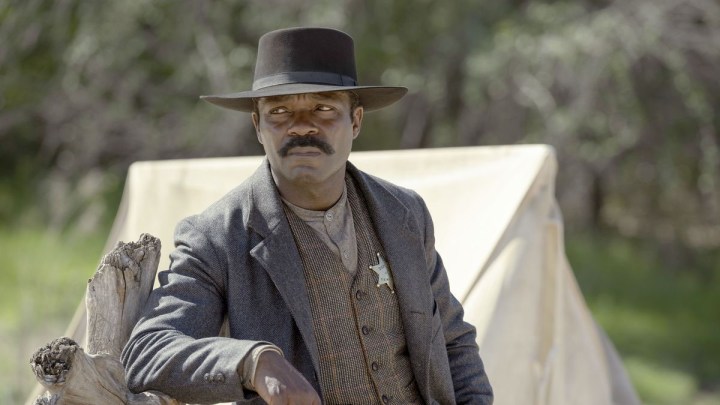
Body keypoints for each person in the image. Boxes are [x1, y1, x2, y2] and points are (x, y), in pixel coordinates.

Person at [121, 27, 493, 405]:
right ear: (258, 126)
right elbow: (147, 352)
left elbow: (451, 339)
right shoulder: (217, 236)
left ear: (356, 121)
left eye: (324, 108)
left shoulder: (405, 213)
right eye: (279, 111)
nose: (301, 125)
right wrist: (253, 362)